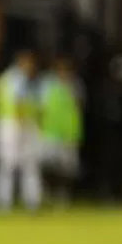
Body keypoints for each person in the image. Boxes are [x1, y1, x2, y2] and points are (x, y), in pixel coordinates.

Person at [0, 51, 43, 212]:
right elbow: (19, 102)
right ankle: (28, 201)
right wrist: (24, 124)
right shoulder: (18, 78)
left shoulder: (5, 78)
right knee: (24, 164)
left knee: (9, 165)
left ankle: (5, 202)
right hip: (16, 125)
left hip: (6, 124)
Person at [38, 56, 84, 205]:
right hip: (50, 132)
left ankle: (62, 196)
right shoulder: (48, 85)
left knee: (68, 169)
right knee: (47, 165)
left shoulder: (75, 85)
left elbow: (79, 106)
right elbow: (41, 108)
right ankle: (46, 193)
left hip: (69, 133)